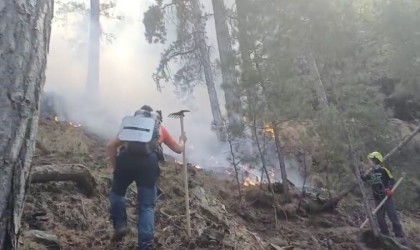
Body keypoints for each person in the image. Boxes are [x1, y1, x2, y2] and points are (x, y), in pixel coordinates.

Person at [106, 105, 186, 250]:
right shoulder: (159, 128)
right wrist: (182, 140)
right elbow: (178, 150)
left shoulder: (131, 127)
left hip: (125, 160)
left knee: (116, 194)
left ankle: (120, 225)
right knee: (147, 207)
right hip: (148, 165)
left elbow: (110, 146)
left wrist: (116, 168)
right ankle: (145, 245)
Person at [361, 151, 404, 239]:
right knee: (380, 218)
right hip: (377, 198)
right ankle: (385, 235)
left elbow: (392, 180)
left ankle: (399, 234)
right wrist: (361, 176)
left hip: (386, 197)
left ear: (375, 160)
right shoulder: (371, 172)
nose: (369, 162)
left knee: (392, 215)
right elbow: (366, 178)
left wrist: (389, 189)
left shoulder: (384, 170)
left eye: (370, 160)